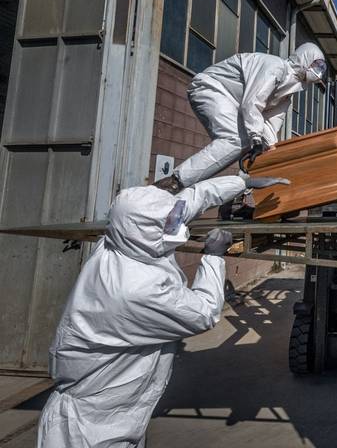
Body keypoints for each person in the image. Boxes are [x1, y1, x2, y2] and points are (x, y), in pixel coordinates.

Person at [37, 173, 287, 447]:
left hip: (114, 406)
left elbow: (191, 200)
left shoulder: (118, 242)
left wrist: (242, 182)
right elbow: (203, 313)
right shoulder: (136, 289)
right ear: (146, 229)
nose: (176, 223)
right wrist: (213, 259)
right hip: (94, 426)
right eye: (167, 221)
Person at [155, 43, 327, 193]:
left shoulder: (288, 93)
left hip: (234, 102)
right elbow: (252, 103)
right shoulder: (276, 67)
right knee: (236, 139)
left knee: (249, 144)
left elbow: (270, 125)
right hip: (211, 87)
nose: (319, 72)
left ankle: (241, 195)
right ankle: (174, 182)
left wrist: (271, 152)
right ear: (305, 58)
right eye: (317, 65)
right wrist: (256, 139)